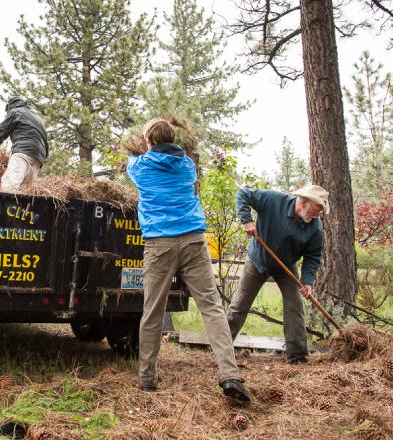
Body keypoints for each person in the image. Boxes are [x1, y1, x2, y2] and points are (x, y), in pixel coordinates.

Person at [127, 118, 249, 401]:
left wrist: (141, 146)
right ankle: (230, 374)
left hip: (160, 244)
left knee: (153, 310)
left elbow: (132, 160)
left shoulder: (141, 167)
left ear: (150, 142)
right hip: (195, 241)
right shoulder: (188, 167)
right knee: (211, 307)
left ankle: (147, 380)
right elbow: (180, 159)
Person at [227, 185, 328, 364]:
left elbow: (313, 256)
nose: (316, 216)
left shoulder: (315, 227)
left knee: (295, 307)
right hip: (258, 260)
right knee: (240, 304)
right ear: (304, 203)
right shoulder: (274, 200)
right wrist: (246, 220)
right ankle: (222, 350)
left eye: (319, 213)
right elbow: (242, 193)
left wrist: (307, 281)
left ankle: (297, 357)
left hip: (286, 267)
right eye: (316, 211)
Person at [0, 96, 49, 192]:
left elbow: (1, 132)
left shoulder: (15, 112)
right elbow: (45, 142)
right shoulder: (38, 118)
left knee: (9, 184)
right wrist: (41, 157)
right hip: (38, 158)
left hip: (23, 152)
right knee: (27, 190)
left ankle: (6, 207)